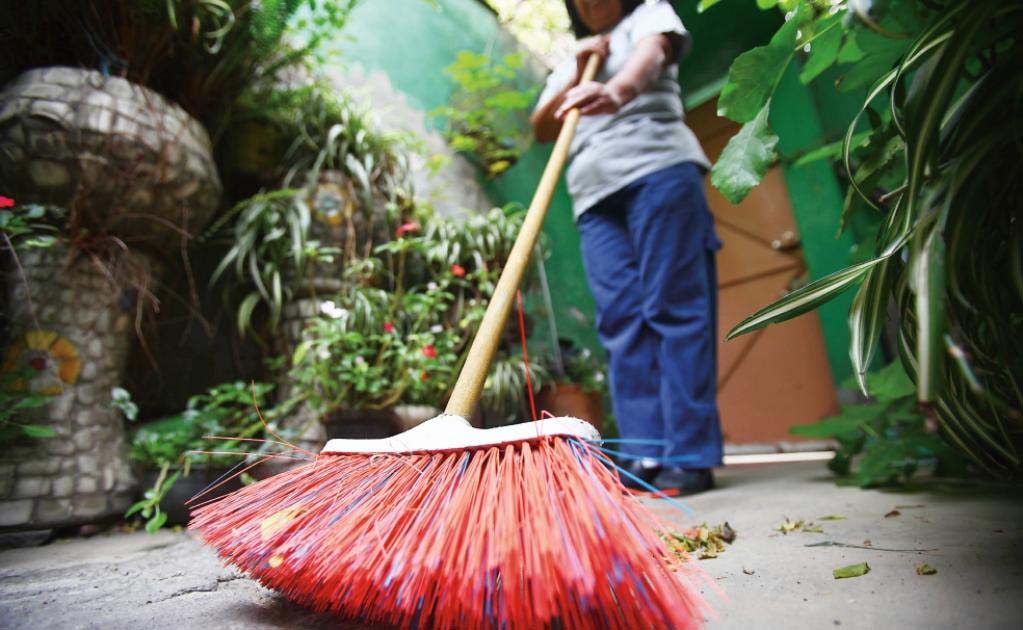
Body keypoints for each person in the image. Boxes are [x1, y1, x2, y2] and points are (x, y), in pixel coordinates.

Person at [531, 0, 722, 494]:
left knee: (674, 309)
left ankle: (688, 454)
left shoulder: (648, 16)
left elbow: (653, 53)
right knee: (621, 322)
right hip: (594, 199)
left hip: (657, 170)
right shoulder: (572, 61)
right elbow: (541, 126)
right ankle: (642, 453)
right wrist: (576, 73)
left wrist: (616, 90)